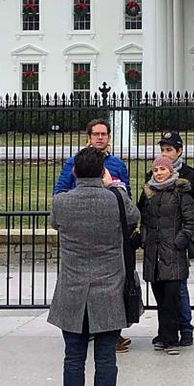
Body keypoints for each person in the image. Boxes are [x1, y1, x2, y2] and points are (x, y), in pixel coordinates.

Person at [48, 146, 136, 386]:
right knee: (106, 359)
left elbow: (56, 223)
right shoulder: (116, 198)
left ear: (74, 171)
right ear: (103, 172)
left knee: (73, 359)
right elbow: (134, 218)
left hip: (72, 288)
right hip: (108, 287)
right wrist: (115, 185)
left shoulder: (62, 202)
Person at [54, 119, 133, 352]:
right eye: (96, 134)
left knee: (111, 284)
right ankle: (86, 327)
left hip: (108, 230)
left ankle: (111, 330)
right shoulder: (75, 162)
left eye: (103, 134)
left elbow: (126, 195)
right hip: (81, 227)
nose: (100, 138)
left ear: (109, 137)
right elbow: (60, 191)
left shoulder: (117, 164)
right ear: (88, 137)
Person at [140, 130, 194, 347]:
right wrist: (145, 238)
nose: (165, 154)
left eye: (169, 150)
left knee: (178, 290)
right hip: (157, 245)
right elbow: (143, 209)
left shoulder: (189, 175)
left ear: (179, 151)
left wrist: (179, 241)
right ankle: (167, 332)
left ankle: (185, 329)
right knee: (162, 292)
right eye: (162, 150)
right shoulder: (152, 178)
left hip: (175, 242)